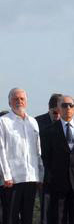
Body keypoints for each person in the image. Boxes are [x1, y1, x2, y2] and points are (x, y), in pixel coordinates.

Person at [42, 95, 74, 224]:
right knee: (58, 218)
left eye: (71, 105)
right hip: (57, 183)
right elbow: (46, 157)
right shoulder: (49, 131)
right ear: (58, 108)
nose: (68, 108)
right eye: (64, 105)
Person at [0, 88, 45, 224]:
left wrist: (40, 175)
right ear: (9, 102)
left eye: (22, 98)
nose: (19, 101)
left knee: (28, 217)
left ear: (26, 101)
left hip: (31, 177)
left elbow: (38, 151)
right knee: (10, 217)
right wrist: (6, 175)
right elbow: (1, 150)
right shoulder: (3, 122)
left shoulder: (33, 122)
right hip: (12, 179)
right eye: (15, 99)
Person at [35, 93, 62, 224]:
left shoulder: (67, 123)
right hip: (44, 172)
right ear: (49, 109)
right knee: (45, 209)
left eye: (59, 112)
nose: (57, 116)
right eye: (54, 112)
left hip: (62, 173)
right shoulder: (37, 122)